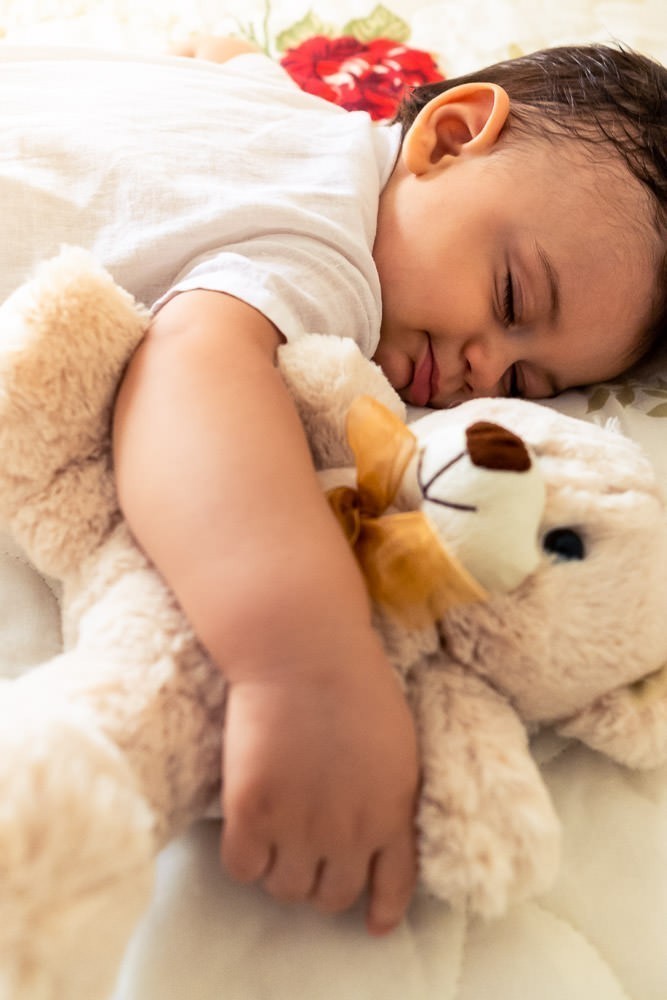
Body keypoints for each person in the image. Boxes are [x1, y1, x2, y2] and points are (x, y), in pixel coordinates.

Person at [2, 38, 665, 935]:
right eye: (511, 298)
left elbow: (217, 64)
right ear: (448, 135)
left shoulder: (296, 118)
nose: (482, 368)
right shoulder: (327, 253)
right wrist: (308, 667)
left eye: (523, 383)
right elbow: (189, 377)